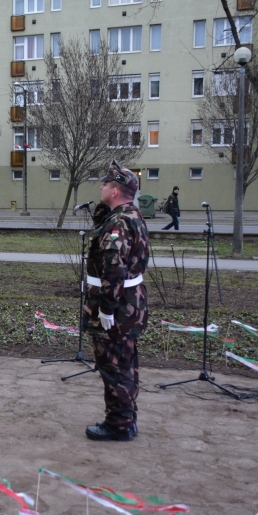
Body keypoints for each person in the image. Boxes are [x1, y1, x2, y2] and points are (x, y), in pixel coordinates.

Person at [83, 161, 150, 442]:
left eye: (106, 184)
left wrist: (106, 307)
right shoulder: (130, 215)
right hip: (130, 304)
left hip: (117, 306)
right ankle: (125, 417)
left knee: (113, 365)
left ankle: (119, 425)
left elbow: (114, 267)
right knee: (125, 363)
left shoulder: (119, 223)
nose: (101, 187)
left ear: (114, 191)